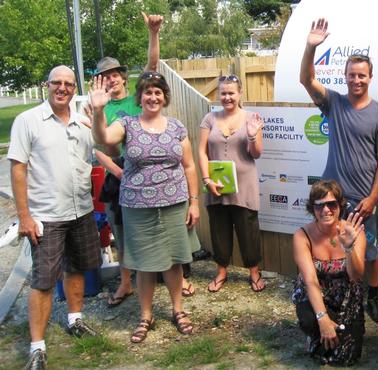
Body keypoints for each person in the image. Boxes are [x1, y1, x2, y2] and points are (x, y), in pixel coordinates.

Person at [89, 71, 201, 343]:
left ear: (164, 97)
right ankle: (145, 316)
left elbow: (189, 165)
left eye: (158, 92)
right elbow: (103, 138)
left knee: (174, 262)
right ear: (139, 97)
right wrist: (98, 110)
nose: (153, 97)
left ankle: (178, 311)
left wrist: (194, 202)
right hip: (137, 206)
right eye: (148, 92)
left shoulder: (176, 127)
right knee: (145, 265)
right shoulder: (127, 124)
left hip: (174, 204)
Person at [89, 12, 189, 307]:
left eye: (116, 73)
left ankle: (175, 287)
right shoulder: (98, 104)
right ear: (101, 80)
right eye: (106, 75)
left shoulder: (136, 99)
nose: (112, 78)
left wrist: (153, 34)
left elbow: (153, 67)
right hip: (118, 173)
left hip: (143, 174)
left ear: (123, 77)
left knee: (164, 240)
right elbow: (99, 143)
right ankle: (125, 283)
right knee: (121, 232)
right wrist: (118, 171)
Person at [299, 18, 378, 323]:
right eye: (352, 75)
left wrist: (374, 197)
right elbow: (306, 79)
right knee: (332, 245)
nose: (357, 80)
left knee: (372, 249)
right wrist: (310, 46)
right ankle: (333, 291)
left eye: (362, 75)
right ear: (345, 76)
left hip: (366, 198)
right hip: (334, 198)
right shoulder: (334, 103)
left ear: (370, 77)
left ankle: (374, 297)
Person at [9, 66, 103, 370]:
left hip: (80, 210)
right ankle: (37, 347)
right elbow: (18, 168)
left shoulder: (82, 123)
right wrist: (24, 216)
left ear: (75, 89)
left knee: (76, 268)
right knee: (44, 279)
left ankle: (75, 320)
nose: (62, 88)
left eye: (68, 84)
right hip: (46, 216)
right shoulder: (28, 121)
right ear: (46, 85)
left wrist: (98, 115)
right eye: (57, 83)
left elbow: (101, 150)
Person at [198, 75, 265, 293]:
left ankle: (254, 272)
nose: (227, 97)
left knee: (248, 231)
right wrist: (206, 179)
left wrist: (253, 136)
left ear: (240, 93)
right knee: (219, 230)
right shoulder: (210, 118)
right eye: (223, 93)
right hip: (216, 184)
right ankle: (221, 271)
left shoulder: (251, 118)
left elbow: (256, 154)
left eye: (231, 93)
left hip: (244, 186)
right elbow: (201, 151)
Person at [291, 180, 366, 366]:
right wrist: (322, 318)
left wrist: (349, 247)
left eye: (331, 204)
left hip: (346, 296)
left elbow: (356, 276)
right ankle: (315, 330)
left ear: (340, 205)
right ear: (312, 209)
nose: (326, 210)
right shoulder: (302, 235)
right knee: (315, 327)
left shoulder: (353, 232)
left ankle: (327, 333)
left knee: (346, 358)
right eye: (319, 205)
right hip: (315, 294)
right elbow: (310, 280)